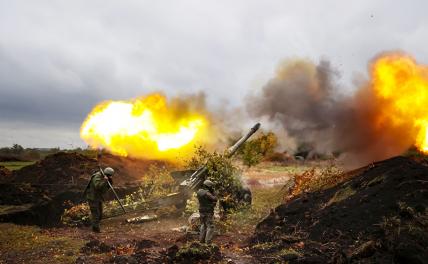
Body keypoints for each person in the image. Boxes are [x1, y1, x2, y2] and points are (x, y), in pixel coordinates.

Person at [83, 167, 114, 232]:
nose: (110, 176)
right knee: (96, 214)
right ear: (106, 174)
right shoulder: (97, 176)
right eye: (109, 175)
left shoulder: (104, 176)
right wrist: (105, 181)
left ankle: (95, 226)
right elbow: (97, 186)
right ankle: (96, 229)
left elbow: (105, 188)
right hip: (92, 198)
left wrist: (109, 181)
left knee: (100, 214)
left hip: (98, 197)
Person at [196, 179, 217, 244]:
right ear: (208, 186)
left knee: (203, 225)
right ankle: (208, 242)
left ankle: (201, 241)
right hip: (208, 211)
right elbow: (215, 199)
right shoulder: (207, 193)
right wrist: (215, 193)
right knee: (210, 226)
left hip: (201, 210)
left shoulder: (199, 191)